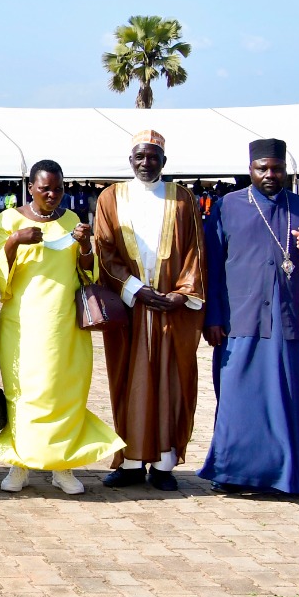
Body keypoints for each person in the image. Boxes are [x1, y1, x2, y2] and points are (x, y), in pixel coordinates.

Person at [199, 139, 299, 495]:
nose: (270, 175)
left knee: (290, 397)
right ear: (251, 170)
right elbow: (211, 267)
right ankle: (233, 473)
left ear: (285, 171)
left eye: (276, 168)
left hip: (289, 319)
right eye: (262, 168)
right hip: (239, 318)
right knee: (236, 399)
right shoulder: (227, 207)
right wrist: (211, 317)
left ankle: (290, 474)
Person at [0, 160, 123, 495]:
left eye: (58, 188)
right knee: (24, 394)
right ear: (30, 187)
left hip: (64, 323)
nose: (52, 194)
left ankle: (62, 465)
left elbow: (85, 273)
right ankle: (19, 464)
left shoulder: (73, 220)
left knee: (63, 393)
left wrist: (86, 245)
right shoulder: (10, 219)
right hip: (22, 324)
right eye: (45, 188)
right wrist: (15, 241)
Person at [91, 132, 206, 492]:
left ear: (164, 162)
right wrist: (135, 289)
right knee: (128, 381)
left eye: (153, 157)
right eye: (140, 157)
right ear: (131, 160)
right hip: (130, 308)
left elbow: (195, 252)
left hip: (172, 308)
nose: (146, 163)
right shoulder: (110, 198)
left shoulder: (184, 198)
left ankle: (163, 464)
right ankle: (130, 462)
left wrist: (181, 294)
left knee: (171, 380)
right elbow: (104, 249)